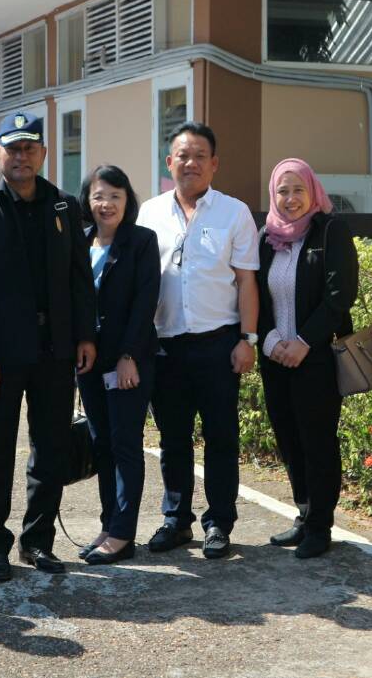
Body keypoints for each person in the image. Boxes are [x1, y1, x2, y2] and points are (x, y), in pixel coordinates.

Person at [0, 110, 97, 581]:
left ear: (43, 153)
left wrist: (85, 336)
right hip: (0, 353)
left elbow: (80, 278)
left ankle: (38, 541)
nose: (21, 156)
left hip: (55, 350)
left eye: (29, 148)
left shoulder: (64, 206)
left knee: (51, 449)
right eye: (13, 148)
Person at [137, 122, 260, 560]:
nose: (191, 163)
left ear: (214, 164)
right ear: (169, 162)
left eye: (200, 156)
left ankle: (219, 522)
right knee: (173, 439)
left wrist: (248, 339)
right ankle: (176, 520)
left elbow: (246, 282)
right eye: (182, 155)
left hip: (218, 344)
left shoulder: (234, 213)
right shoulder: (149, 212)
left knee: (221, 437)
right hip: (165, 345)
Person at [255, 158, 357, 559]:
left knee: (317, 441)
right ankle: (303, 511)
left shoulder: (330, 230)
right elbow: (253, 293)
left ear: (312, 191)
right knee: (288, 438)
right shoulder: (265, 237)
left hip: (315, 358)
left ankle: (320, 524)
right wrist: (270, 340)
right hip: (275, 357)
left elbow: (340, 295)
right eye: (283, 191)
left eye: (299, 189)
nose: (291, 198)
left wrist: (303, 341)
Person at [75, 165, 160, 565]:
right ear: (87, 200)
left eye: (115, 196)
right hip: (89, 361)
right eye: (98, 196)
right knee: (101, 443)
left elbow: (145, 303)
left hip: (128, 359)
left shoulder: (142, 241)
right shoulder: (80, 241)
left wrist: (129, 356)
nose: (106, 204)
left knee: (125, 443)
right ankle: (109, 525)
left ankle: (124, 533)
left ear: (127, 201)